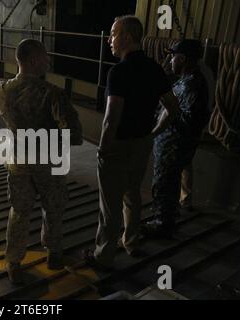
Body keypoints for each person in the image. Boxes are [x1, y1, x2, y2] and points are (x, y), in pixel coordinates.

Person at [82, 16, 179, 270]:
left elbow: (111, 116)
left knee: (109, 204)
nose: (109, 39)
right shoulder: (155, 69)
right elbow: (173, 108)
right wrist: (154, 132)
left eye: (113, 34)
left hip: (118, 145)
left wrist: (103, 148)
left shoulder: (119, 71)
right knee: (132, 194)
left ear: (126, 37)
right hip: (142, 143)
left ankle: (103, 255)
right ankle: (132, 242)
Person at [0, 39, 83, 284]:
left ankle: (14, 262)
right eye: (45, 57)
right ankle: (54, 253)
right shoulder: (53, 94)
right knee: (54, 207)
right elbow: (75, 134)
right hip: (49, 162)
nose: (48, 61)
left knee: (19, 210)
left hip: (18, 160)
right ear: (34, 60)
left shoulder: (1, 90)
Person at [142, 40, 210, 237]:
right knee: (169, 182)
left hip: (174, 144)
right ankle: (166, 215)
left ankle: (162, 222)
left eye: (173, 56)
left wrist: (161, 122)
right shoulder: (186, 79)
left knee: (164, 181)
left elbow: (186, 119)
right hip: (170, 143)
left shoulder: (192, 84)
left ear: (184, 59)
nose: (170, 60)